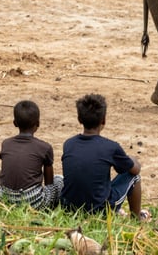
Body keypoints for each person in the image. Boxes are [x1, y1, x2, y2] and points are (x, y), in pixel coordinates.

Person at [61, 93, 150, 221]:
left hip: (70, 208)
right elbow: (134, 170)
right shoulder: (111, 147)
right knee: (135, 178)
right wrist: (132, 159)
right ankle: (136, 218)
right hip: (99, 209)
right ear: (104, 120)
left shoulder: (68, 143)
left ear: (79, 119)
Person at [0, 100, 63, 210]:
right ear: (38, 123)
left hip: (5, 199)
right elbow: (49, 183)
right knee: (59, 180)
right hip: (33, 201)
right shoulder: (45, 147)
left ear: (14, 123)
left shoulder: (6, 143)